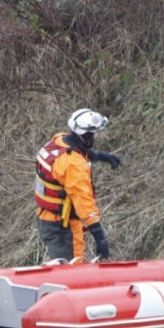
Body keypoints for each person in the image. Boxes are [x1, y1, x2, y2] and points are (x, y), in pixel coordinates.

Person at [34, 109, 121, 262]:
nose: (97, 136)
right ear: (85, 135)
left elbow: (74, 153)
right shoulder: (74, 165)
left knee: (62, 264)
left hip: (47, 218)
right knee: (72, 268)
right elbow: (84, 204)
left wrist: (100, 156)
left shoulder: (59, 140)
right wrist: (99, 238)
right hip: (63, 226)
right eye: (94, 133)